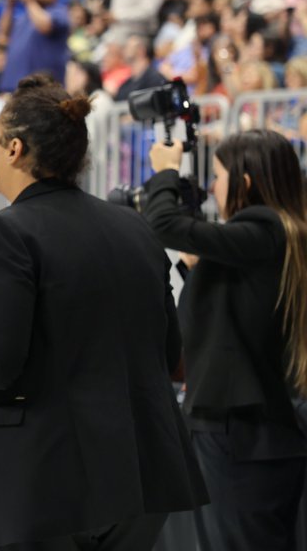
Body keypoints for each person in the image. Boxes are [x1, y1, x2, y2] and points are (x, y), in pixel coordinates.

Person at [0, 75, 206, 551]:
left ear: (14, 149)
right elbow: (169, 351)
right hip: (141, 475)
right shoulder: (134, 226)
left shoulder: (3, 233)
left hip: (43, 483)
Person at [144, 129, 307, 550]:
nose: (213, 188)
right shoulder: (271, 236)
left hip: (243, 433)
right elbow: (224, 309)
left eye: (217, 176)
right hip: (249, 432)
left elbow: (162, 223)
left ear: (245, 182)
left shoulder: (266, 226)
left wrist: (165, 172)